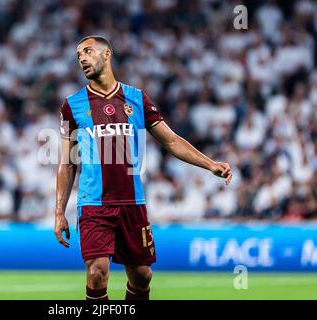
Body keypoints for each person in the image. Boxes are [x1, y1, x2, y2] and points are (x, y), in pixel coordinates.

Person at [54, 35, 233, 300]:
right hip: (93, 203)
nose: (82, 58)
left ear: (107, 54)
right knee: (97, 272)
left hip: (132, 202)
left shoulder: (136, 99)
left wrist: (210, 165)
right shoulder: (73, 105)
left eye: (88, 51)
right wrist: (59, 211)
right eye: (78, 54)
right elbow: (67, 162)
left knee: (142, 276)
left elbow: (171, 141)